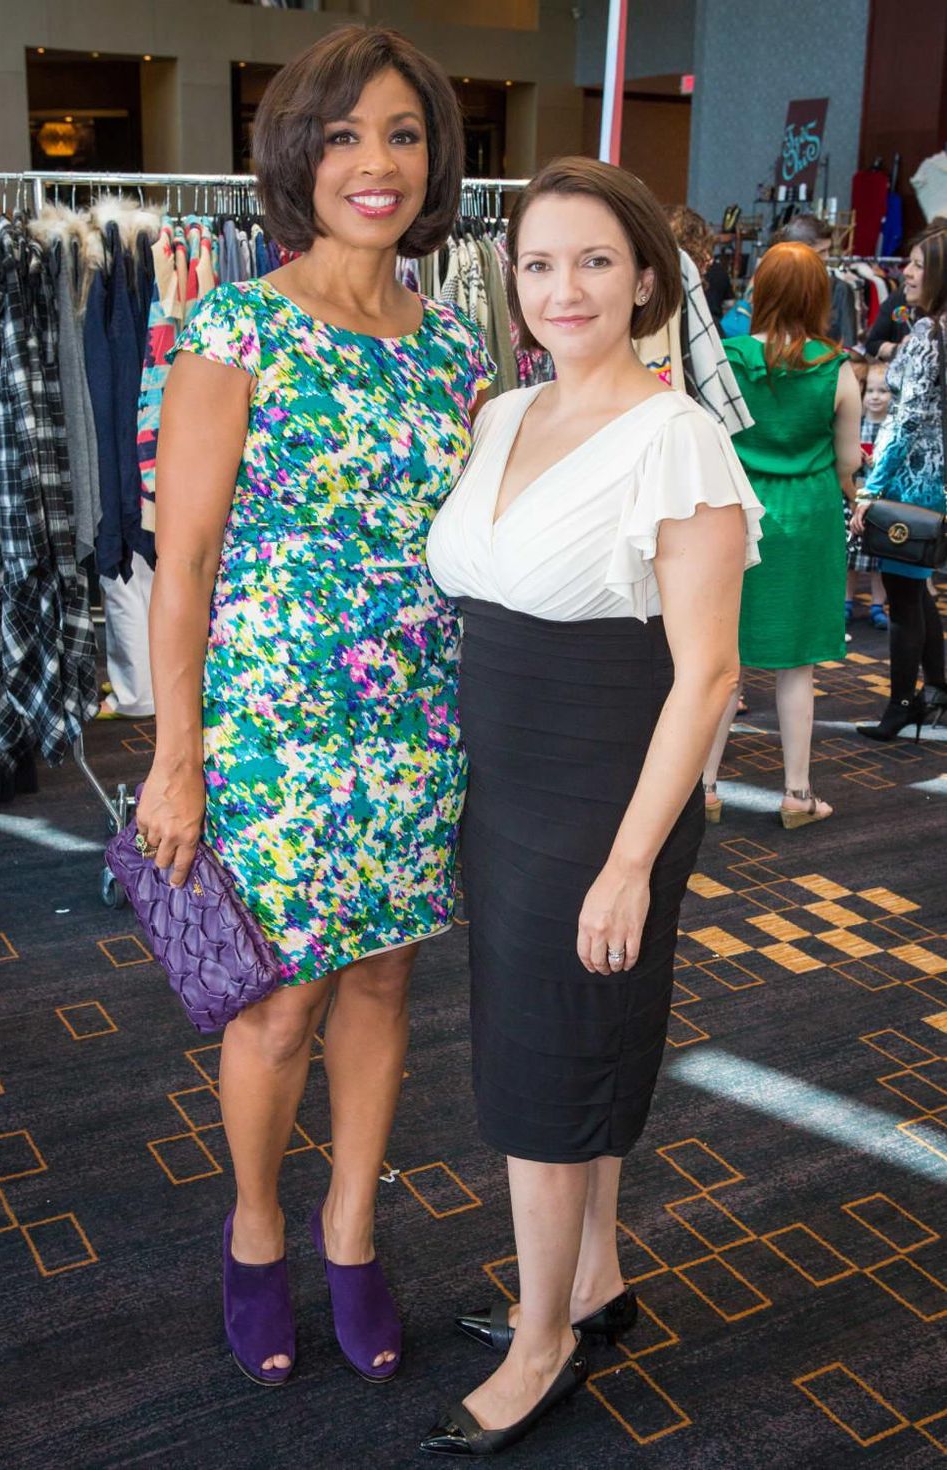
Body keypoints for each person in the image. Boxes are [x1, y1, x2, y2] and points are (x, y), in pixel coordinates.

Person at [134, 27, 493, 1388]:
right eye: (344, 135)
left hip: (418, 722)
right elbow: (186, 566)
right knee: (280, 1000)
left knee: (387, 980)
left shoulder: (455, 344)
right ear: (296, 152)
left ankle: (351, 1232)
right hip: (273, 726)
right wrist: (176, 761)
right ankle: (255, 1228)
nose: (375, 163)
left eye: (402, 134)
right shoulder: (236, 323)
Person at [423, 158, 761, 1457]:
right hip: (504, 782)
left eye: (597, 262)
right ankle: (593, 1278)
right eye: (542, 262)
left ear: (645, 280)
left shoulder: (678, 435)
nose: (566, 288)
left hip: (607, 789)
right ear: (514, 279)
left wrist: (627, 861)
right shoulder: (505, 413)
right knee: (553, 1036)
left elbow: (711, 673)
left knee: (541, 1064)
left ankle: (541, 1338)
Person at [703, 242, 862, 829]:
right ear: (820, 296)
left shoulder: (728, 356)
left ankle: (706, 788)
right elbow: (848, 461)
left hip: (739, 513)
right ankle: (797, 796)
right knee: (797, 668)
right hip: (810, 517)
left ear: (759, 291)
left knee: (724, 659)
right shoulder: (836, 368)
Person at [852, 226, 947, 740]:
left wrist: (870, 489)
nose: (905, 273)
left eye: (915, 264)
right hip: (939, 483)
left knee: (903, 598)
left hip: (912, 485)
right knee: (918, 589)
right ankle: (937, 689)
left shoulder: (927, 337)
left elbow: (903, 422)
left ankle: (901, 703)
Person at [845, 360, 892, 629]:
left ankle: (878, 604)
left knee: (878, 559)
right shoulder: (856, 423)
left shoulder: (891, 428)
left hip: (881, 501)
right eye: (870, 391)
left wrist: (879, 461)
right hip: (855, 495)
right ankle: (847, 601)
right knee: (851, 556)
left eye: (882, 391)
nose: (875, 396)